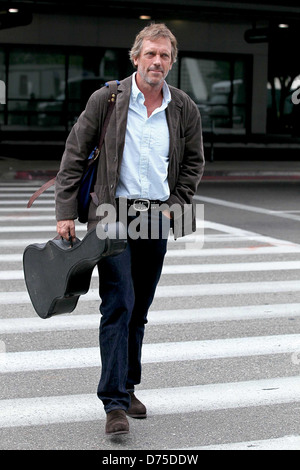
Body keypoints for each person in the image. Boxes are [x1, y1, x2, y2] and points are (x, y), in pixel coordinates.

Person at [55, 23, 205, 435]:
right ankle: (114, 403)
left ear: (172, 62)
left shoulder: (183, 107)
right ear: (136, 57)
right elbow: (75, 152)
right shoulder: (109, 98)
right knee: (118, 302)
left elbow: (193, 164)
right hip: (112, 214)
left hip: (156, 216)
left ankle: (128, 384)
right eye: (151, 54)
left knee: (139, 307)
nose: (157, 62)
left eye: (165, 56)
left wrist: (177, 207)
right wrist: (66, 211)